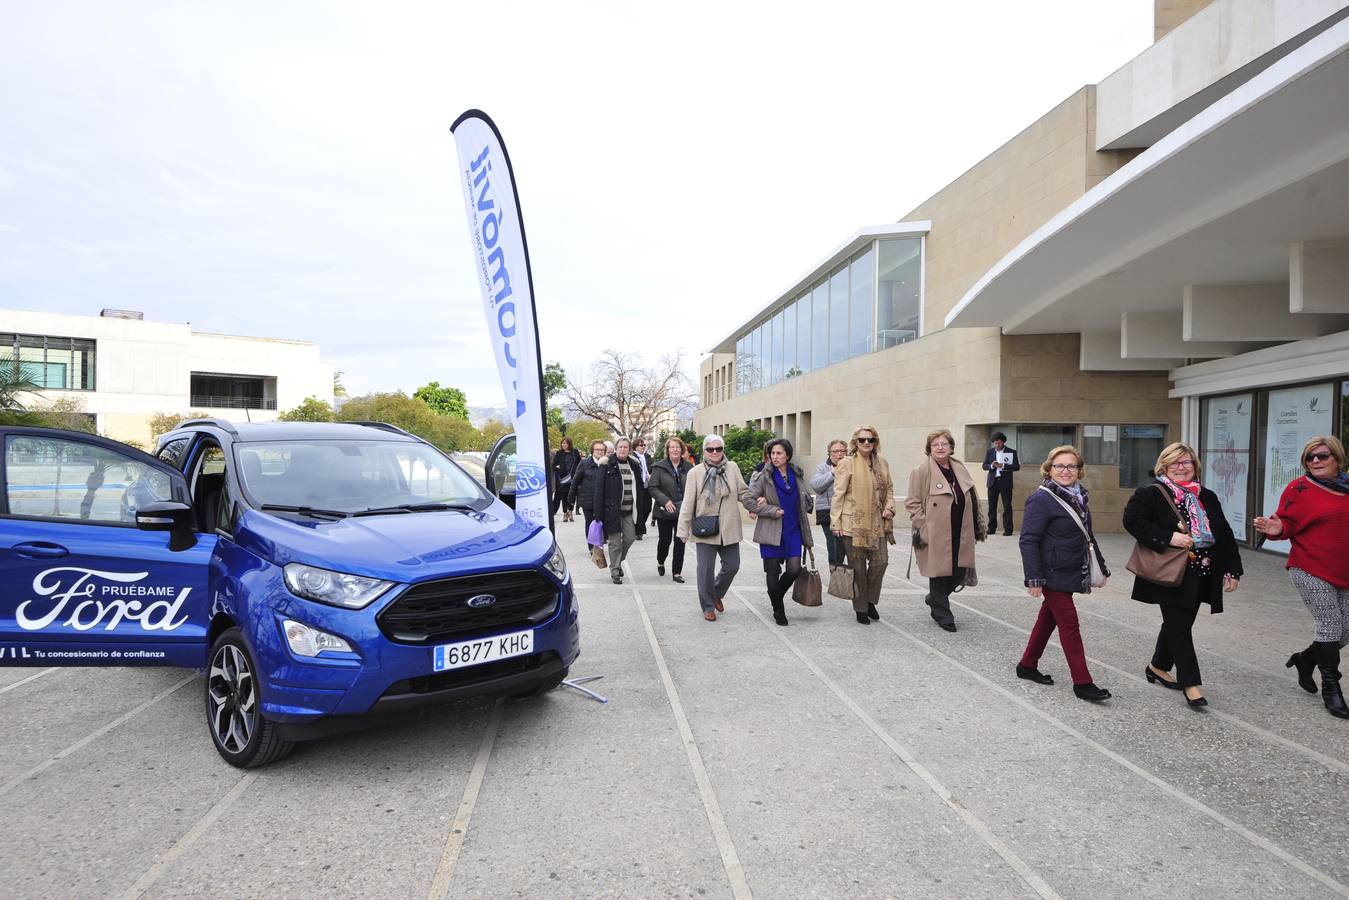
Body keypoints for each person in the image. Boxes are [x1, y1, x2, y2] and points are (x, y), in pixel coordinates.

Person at [1124, 442, 1241, 709]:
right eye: (1175, 462)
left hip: (1203, 571)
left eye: (1186, 462)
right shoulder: (1151, 493)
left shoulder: (1207, 496)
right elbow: (1132, 521)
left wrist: (1233, 568)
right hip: (1172, 571)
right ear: (1164, 466)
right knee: (1178, 625)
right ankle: (1191, 684)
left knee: (1180, 623)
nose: (1181, 467)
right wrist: (1168, 537)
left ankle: (1157, 666)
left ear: (1195, 466)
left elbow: (1223, 533)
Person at [1253, 435, 1349, 719]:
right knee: (1330, 624)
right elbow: (1287, 522)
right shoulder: (1299, 488)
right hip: (1309, 566)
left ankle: (1305, 659)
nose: (1316, 461)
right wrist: (1276, 527)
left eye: (1322, 456)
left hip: (1344, 569)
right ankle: (1331, 689)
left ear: (1337, 458)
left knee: (1346, 629)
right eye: (1310, 457)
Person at [1015, 445, 1111, 702]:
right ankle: (1082, 682)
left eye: (1071, 466)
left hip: (1071, 569)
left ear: (1079, 471)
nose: (1066, 471)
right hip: (1052, 572)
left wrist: (1100, 567)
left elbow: (1087, 536)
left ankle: (1027, 665)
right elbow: (1028, 540)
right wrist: (1034, 578)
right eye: (1059, 466)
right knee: (1070, 625)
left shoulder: (1079, 496)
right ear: (1049, 469)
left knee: (1049, 618)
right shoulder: (1042, 498)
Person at [905, 429, 984, 633]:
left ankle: (934, 599)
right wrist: (924, 525)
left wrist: (976, 524)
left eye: (944, 444)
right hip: (936, 532)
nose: (940, 448)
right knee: (939, 573)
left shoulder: (960, 468)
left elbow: (971, 497)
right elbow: (912, 502)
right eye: (935, 445)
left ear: (951, 447)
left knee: (959, 571)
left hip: (961, 529)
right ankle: (943, 614)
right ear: (929, 449)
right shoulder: (921, 471)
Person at [677, 434, 748, 622]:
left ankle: (716, 593)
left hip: (729, 526)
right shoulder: (695, 473)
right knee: (705, 570)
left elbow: (743, 492)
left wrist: (756, 505)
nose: (715, 452)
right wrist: (683, 529)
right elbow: (688, 502)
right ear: (704, 452)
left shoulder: (732, 468)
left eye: (718, 449)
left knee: (733, 566)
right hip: (705, 527)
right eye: (710, 449)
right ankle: (708, 606)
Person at [745, 438, 814, 626]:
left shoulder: (796, 474)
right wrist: (770, 510)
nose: (775, 457)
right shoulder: (763, 476)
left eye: (779, 453)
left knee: (794, 569)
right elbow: (748, 500)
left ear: (787, 455)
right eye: (772, 453)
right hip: (771, 530)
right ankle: (778, 610)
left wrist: (806, 500)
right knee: (773, 572)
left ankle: (775, 595)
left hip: (793, 529)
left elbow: (804, 495)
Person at [832, 425, 895, 626]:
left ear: (876, 442)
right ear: (855, 443)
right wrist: (835, 522)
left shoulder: (882, 463)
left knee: (880, 562)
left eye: (870, 439)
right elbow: (838, 495)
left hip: (877, 523)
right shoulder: (847, 463)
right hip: (853, 525)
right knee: (858, 568)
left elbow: (890, 489)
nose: (866, 443)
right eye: (862, 440)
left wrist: (890, 508)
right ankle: (861, 608)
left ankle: (869, 601)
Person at [592, 437, 639, 584]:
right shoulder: (606, 464)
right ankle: (615, 571)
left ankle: (617, 562)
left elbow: (640, 489)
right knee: (614, 543)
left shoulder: (634, 465)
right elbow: (598, 491)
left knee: (630, 538)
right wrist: (598, 514)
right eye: (621, 447)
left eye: (626, 447)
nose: (623, 449)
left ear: (629, 449)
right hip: (611, 511)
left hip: (630, 510)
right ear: (616, 448)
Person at [648, 436, 692, 583]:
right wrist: (665, 500)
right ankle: (661, 560)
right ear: (667, 450)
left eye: (677, 447)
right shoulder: (659, 467)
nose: (675, 449)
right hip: (664, 511)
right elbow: (652, 487)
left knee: (680, 541)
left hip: (683, 510)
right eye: (672, 447)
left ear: (682, 450)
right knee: (665, 541)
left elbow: (694, 487)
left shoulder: (689, 467)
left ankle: (676, 572)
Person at [810, 440, 848, 567]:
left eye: (842, 451)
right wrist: (832, 473)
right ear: (829, 453)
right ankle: (836, 578)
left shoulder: (852, 466)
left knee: (849, 548)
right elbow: (816, 486)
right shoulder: (823, 468)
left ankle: (850, 581)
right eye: (835, 451)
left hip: (848, 512)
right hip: (828, 512)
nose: (839, 454)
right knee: (834, 548)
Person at [981, 431, 1021, 536]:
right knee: (991, 506)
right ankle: (991, 528)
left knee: (1007, 506)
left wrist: (1003, 466)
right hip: (992, 482)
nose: (997, 445)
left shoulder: (1011, 452)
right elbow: (984, 465)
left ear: (1003, 442)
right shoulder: (990, 452)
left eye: (999, 443)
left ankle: (1008, 530)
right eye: (995, 443)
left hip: (1005, 482)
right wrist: (992, 466)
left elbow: (1016, 467)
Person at [568, 439, 607, 543]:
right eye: (597, 449)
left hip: (603, 501)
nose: (600, 452)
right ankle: (592, 547)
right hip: (588, 500)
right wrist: (570, 500)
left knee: (602, 523)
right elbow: (575, 482)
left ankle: (600, 543)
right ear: (592, 450)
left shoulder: (607, 464)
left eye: (602, 450)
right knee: (590, 523)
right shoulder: (584, 463)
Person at [550, 437, 581, 522]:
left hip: (574, 478)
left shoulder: (575, 452)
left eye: (565, 443)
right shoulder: (559, 453)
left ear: (569, 444)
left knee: (572, 496)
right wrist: (559, 470)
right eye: (562, 443)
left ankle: (570, 512)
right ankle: (565, 513)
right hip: (563, 479)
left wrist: (578, 473)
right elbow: (554, 466)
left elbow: (579, 464)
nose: (563, 445)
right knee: (564, 496)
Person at [631, 437, 653, 540]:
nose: (643, 447)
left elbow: (650, 468)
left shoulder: (647, 457)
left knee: (647, 507)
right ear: (635, 447)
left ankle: (640, 526)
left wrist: (650, 474)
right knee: (639, 508)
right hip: (637, 485)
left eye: (644, 445)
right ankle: (638, 530)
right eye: (641, 445)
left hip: (647, 485)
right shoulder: (632, 458)